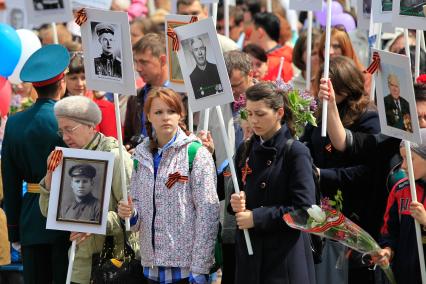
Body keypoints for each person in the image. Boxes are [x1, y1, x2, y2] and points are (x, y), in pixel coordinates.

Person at [117, 87, 219, 284]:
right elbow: (136, 222)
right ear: (148, 116)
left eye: (171, 111)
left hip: (187, 269)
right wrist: (129, 213)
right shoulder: (141, 155)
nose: (165, 117)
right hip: (151, 267)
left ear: (180, 114)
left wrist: (200, 267)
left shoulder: (196, 154)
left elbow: (208, 215)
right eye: (158, 112)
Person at [38, 95, 139, 283]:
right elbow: (47, 212)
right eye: (61, 132)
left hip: (113, 265)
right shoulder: (64, 157)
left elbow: (132, 217)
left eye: (70, 130)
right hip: (79, 265)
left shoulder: (115, 156)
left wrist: (92, 223)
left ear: (91, 126)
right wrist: (50, 177)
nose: (66, 137)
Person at [302, 56, 382, 284]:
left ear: (344, 86)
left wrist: (322, 175)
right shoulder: (318, 113)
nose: (321, 88)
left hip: (355, 210)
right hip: (322, 209)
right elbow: (306, 143)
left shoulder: (368, 116)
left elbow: (366, 171)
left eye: (327, 84)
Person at [229, 82, 316, 284]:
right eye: (249, 114)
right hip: (250, 258)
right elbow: (238, 194)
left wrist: (257, 217)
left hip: (283, 261)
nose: (253, 121)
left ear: (279, 113)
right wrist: (236, 201)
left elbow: (305, 211)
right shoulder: (245, 148)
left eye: (260, 114)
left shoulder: (295, 152)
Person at [2, 44, 70, 284]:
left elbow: (10, 183)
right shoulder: (69, 120)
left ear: (33, 87)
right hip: (67, 214)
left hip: (31, 217)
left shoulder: (14, 123)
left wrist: (14, 229)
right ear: (62, 83)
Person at [373, 129, 426, 284]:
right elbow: (389, 231)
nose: (403, 165)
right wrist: (387, 251)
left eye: (409, 158)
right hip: (405, 274)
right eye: (402, 158)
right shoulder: (400, 189)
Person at [124, 33, 169, 152]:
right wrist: (129, 147)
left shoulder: (182, 97)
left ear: (162, 60)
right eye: (136, 62)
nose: (138, 68)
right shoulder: (136, 98)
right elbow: (130, 137)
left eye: (144, 62)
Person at [65, 51, 118, 138]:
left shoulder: (105, 108)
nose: (80, 83)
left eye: (84, 78)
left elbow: (113, 147)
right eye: (73, 78)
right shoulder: (57, 107)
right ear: (64, 79)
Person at [318, 27, 371, 94]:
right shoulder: (319, 75)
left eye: (336, 46)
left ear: (346, 48)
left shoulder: (363, 77)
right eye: (325, 47)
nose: (330, 52)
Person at [249, 12, 293, 82]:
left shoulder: (270, 62)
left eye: (251, 31)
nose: (249, 37)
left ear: (260, 33)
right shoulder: (291, 56)